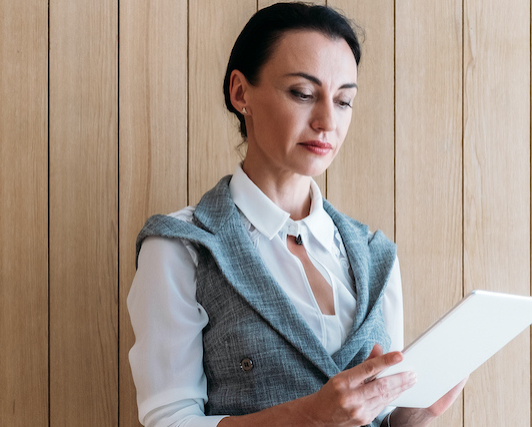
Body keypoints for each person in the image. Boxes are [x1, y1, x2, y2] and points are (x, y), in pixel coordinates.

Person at [128, 3, 464, 426]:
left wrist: (410, 419)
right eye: (303, 94)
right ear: (240, 93)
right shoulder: (180, 246)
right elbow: (170, 421)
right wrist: (309, 416)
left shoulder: (376, 255)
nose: (327, 121)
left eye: (344, 101)